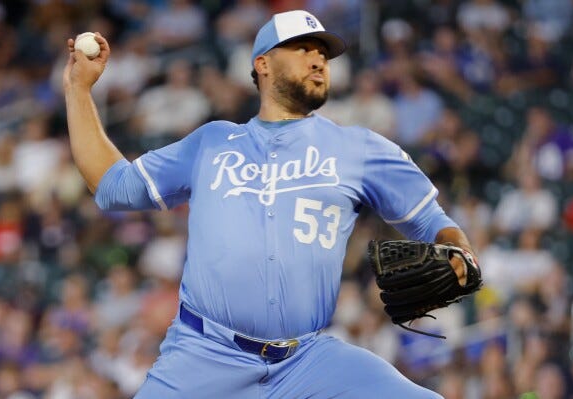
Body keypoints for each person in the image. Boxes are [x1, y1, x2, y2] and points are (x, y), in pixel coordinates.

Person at [63, 10, 476, 398]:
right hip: (204, 357)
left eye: (323, 54)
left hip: (308, 361)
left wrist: (459, 250)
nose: (317, 60)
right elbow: (113, 185)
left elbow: (432, 222)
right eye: (302, 49)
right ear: (262, 64)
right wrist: (78, 89)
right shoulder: (212, 143)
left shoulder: (360, 149)